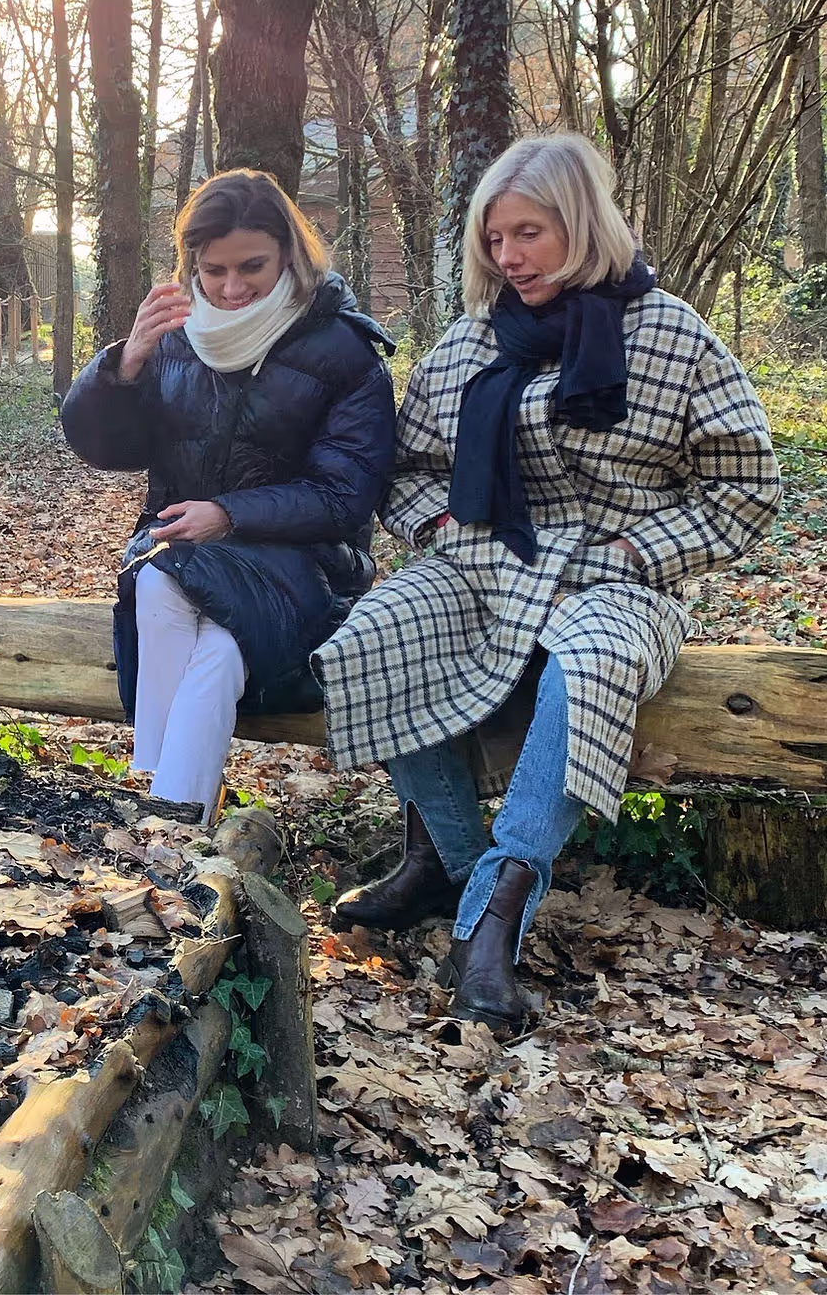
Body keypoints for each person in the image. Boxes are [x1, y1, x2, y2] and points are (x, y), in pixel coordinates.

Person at [318, 134, 781, 1030]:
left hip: (621, 578)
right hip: (482, 569)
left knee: (595, 659)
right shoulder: (471, 343)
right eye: (494, 239)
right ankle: (448, 861)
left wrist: (638, 555)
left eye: (528, 232)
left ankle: (496, 913)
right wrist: (446, 530)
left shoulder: (672, 334)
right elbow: (406, 474)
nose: (508, 256)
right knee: (370, 635)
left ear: (582, 223)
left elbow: (744, 488)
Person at [60, 168, 397, 820]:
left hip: (307, 572)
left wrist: (229, 513)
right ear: (191, 262)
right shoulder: (177, 336)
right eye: (213, 270)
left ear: (290, 255)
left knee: (193, 615)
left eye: (253, 266)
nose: (232, 287)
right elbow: (102, 448)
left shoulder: (345, 351)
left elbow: (346, 498)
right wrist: (124, 366)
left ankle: (164, 812)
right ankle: (178, 816)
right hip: (184, 553)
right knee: (177, 601)